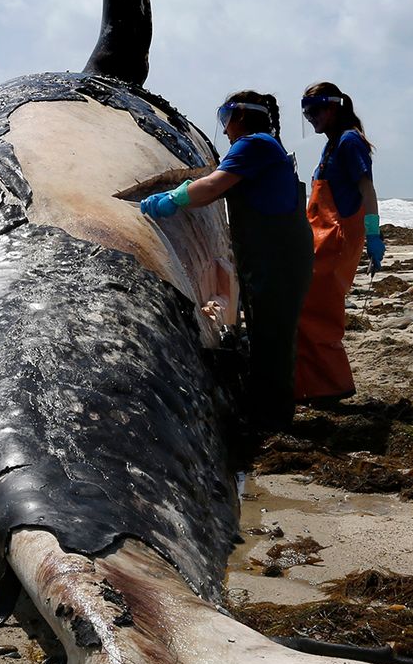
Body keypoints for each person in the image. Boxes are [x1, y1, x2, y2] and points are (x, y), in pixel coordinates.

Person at [141, 91, 314, 432]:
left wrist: (173, 198)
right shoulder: (264, 146)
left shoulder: (254, 145)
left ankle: (272, 419)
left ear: (241, 117)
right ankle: (269, 409)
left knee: (272, 337)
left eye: (225, 118)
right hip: (272, 253)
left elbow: (213, 186)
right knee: (269, 333)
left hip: (277, 256)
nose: (225, 128)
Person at [293, 81, 380, 405]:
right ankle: (314, 385)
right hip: (321, 236)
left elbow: (367, 189)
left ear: (333, 108)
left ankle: (330, 387)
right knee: (308, 308)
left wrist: (373, 234)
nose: (310, 116)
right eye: (306, 111)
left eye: (315, 110)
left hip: (338, 238)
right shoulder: (332, 144)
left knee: (318, 312)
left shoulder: (349, 141)